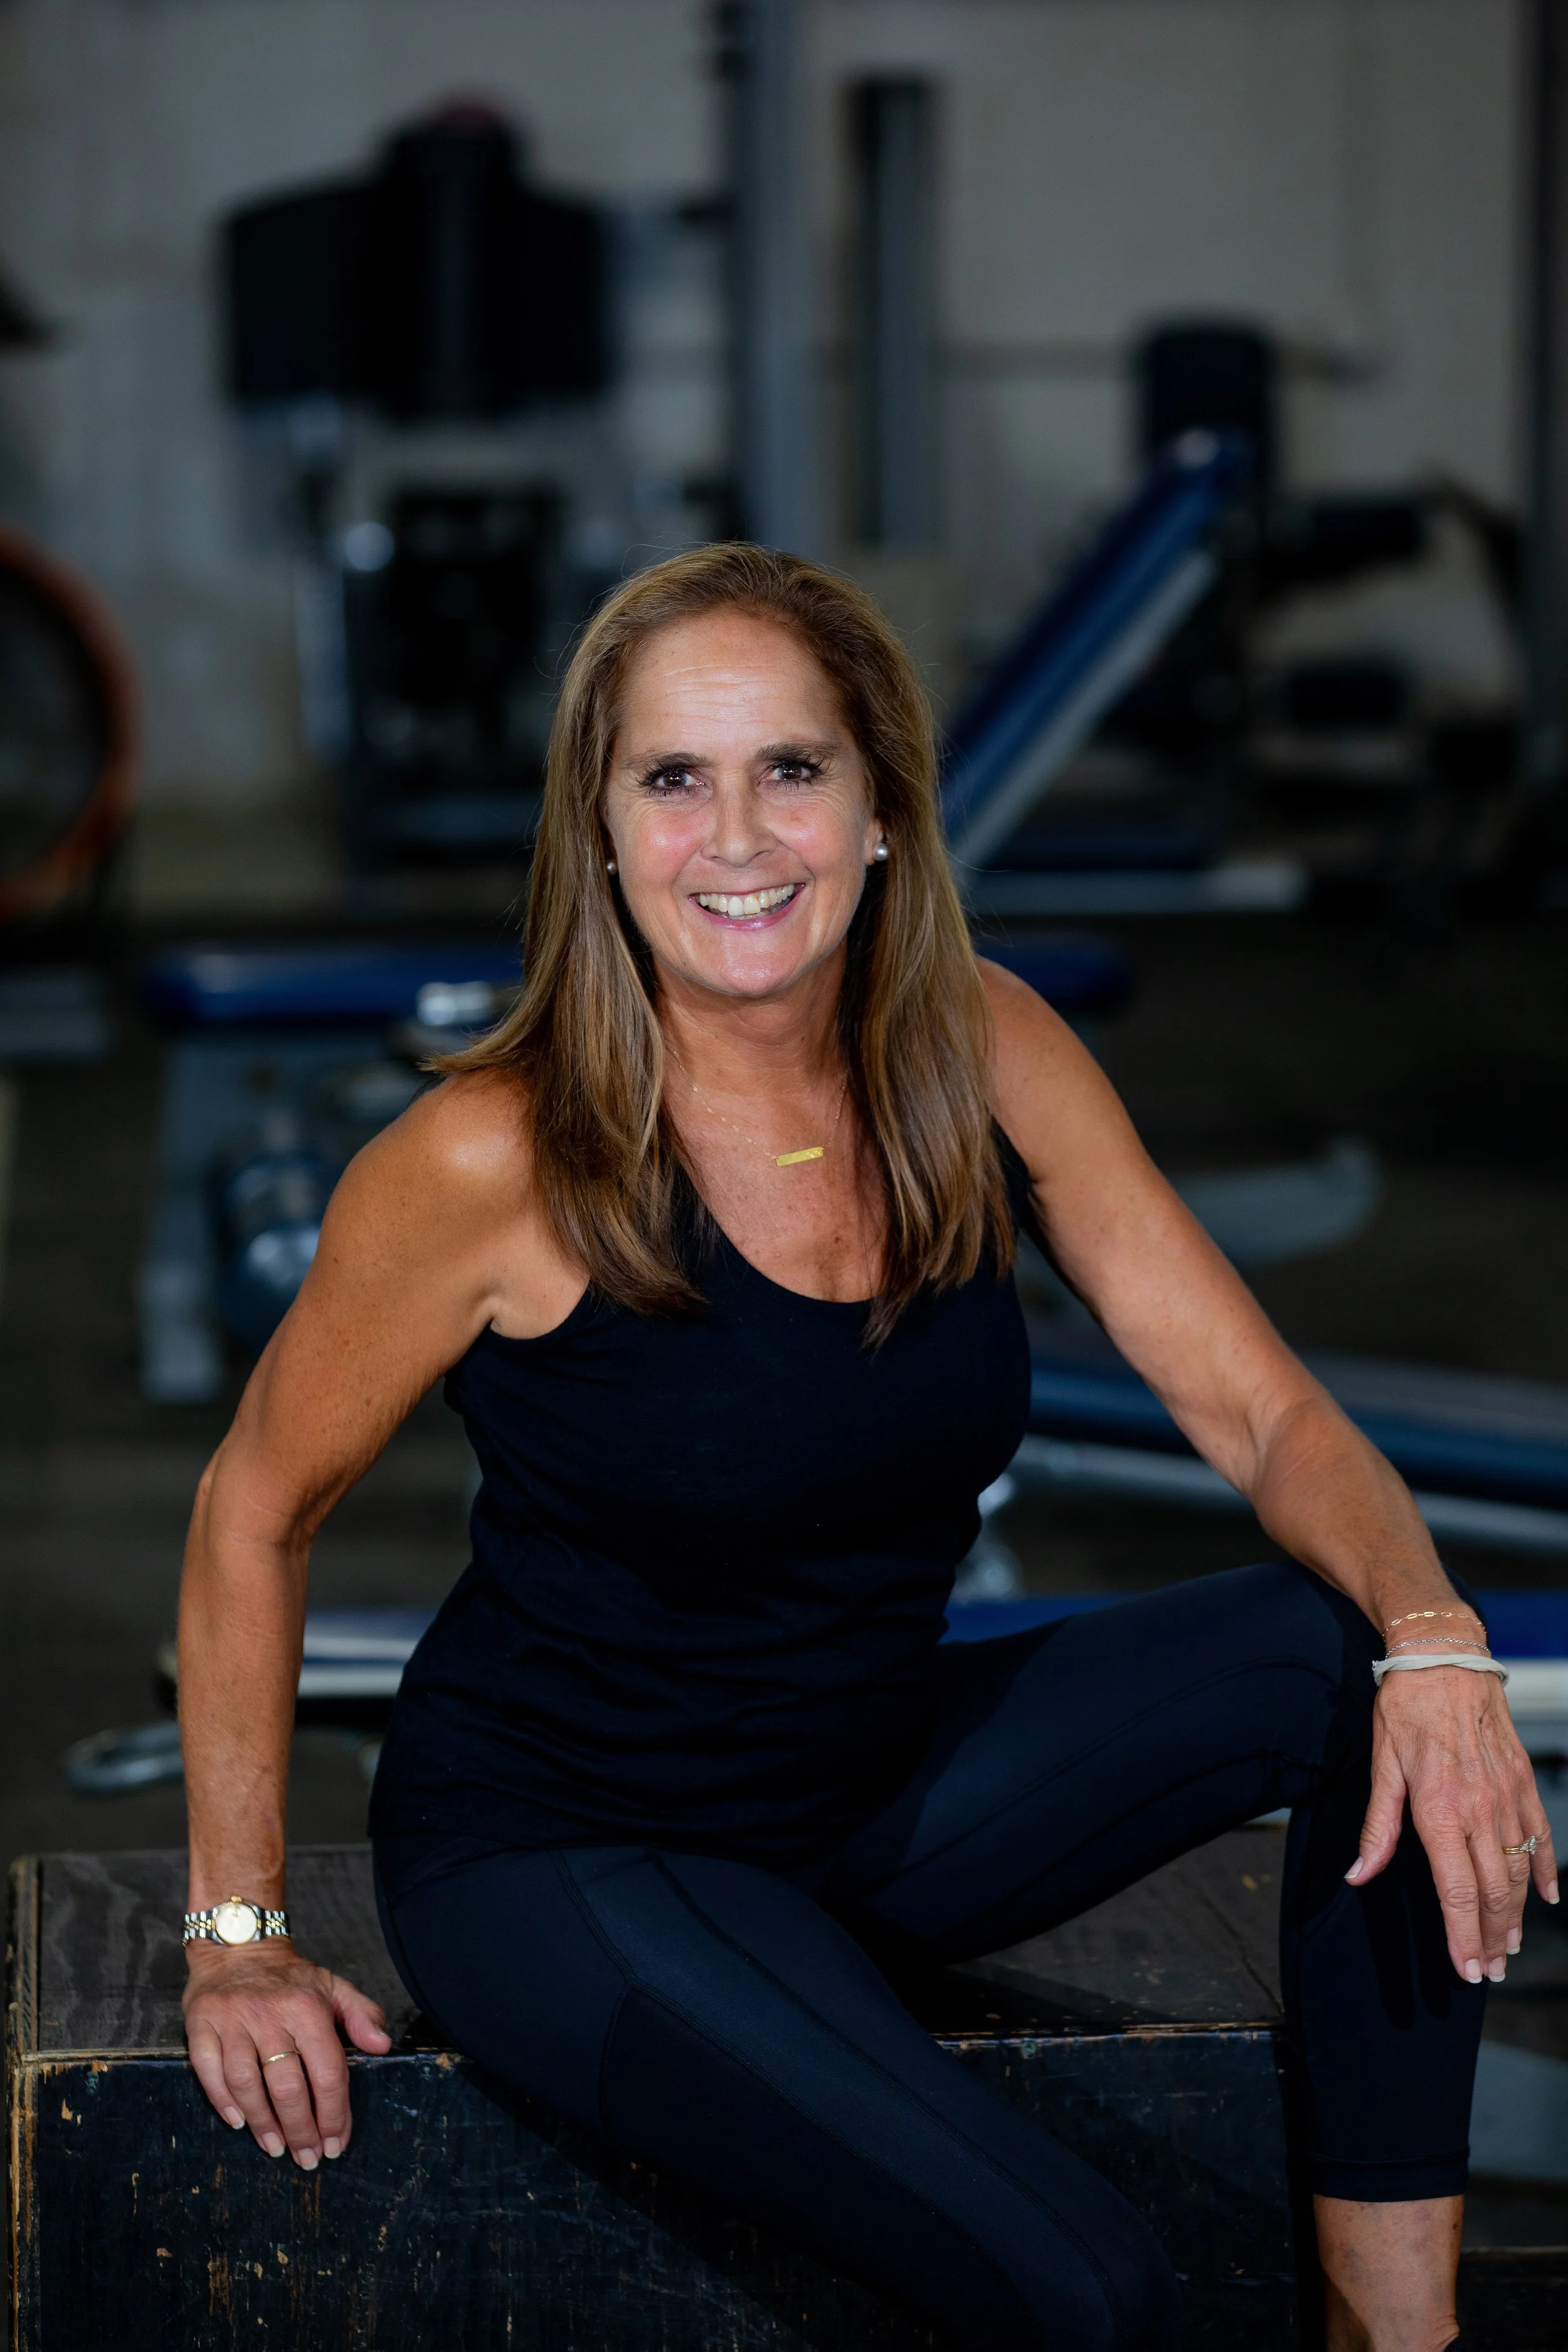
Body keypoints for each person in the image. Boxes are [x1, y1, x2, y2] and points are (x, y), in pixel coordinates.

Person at [177, 543, 1554, 2352]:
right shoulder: (491, 1160)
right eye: (674, 776)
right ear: (597, 828)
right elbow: (251, 1509)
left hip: (870, 1784)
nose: (737, 835)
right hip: (570, 1849)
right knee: (1092, 2285)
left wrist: (1436, 1636)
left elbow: (1262, 1408)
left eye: (792, 768)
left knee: (1347, 1659)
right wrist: (234, 1924)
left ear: (884, 807)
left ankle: (1401, 2333)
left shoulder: (978, 1049)